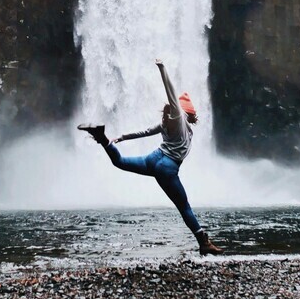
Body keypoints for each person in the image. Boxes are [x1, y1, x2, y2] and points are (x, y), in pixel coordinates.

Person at [78, 59, 222, 255]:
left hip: (154, 159)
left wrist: (120, 137)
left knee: (119, 162)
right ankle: (203, 242)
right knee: (184, 206)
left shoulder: (165, 124)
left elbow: (144, 132)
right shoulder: (179, 120)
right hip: (167, 167)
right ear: (188, 113)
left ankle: (102, 137)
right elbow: (171, 93)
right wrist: (162, 69)